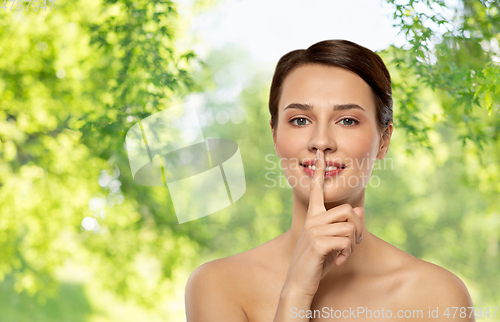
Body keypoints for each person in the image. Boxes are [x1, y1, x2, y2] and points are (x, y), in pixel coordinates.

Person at [185, 39, 474, 321]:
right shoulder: (218, 286)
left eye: (347, 120)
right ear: (274, 136)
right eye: (300, 120)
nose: (321, 141)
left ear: (384, 140)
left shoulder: (437, 297)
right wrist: (295, 293)